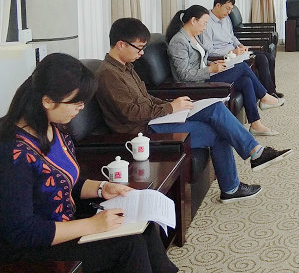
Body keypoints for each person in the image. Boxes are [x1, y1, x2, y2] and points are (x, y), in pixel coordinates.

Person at [0, 53, 177, 273]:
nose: (81, 108)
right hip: (36, 245)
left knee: (143, 226)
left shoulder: (56, 128)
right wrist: (93, 225)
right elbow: (22, 231)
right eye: (76, 102)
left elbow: (64, 182)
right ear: (47, 101)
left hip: (68, 222)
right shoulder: (13, 153)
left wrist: (102, 188)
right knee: (129, 245)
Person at [95, 18, 293, 203]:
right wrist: (169, 108)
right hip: (142, 132)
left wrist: (172, 103)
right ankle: (235, 182)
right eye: (139, 48)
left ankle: (250, 160)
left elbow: (145, 97)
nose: (142, 53)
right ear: (121, 44)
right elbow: (130, 113)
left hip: (154, 119)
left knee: (215, 108)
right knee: (218, 130)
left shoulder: (125, 66)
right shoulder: (108, 75)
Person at [166, 5, 284, 136]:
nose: (205, 28)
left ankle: (256, 124)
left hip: (205, 75)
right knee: (242, 67)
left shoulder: (194, 36)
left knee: (246, 81)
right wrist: (210, 69)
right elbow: (184, 74)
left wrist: (212, 63)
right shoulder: (179, 42)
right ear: (194, 20)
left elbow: (199, 61)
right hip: (196, 84)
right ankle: (264, 96)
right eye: (204, 23)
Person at [201, 0, 282, 98]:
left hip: (237, 52)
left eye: (231, 9)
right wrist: (232, 51)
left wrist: (240, 45)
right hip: (226, 57)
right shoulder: (206, 22)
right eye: (227, 8)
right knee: (262, 59)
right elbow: (209, 50)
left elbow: (232, 36)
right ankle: (268, 94)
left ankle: (272, 90)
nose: (229, 12)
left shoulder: (226, 18)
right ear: (218, 5)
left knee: (269, 57)